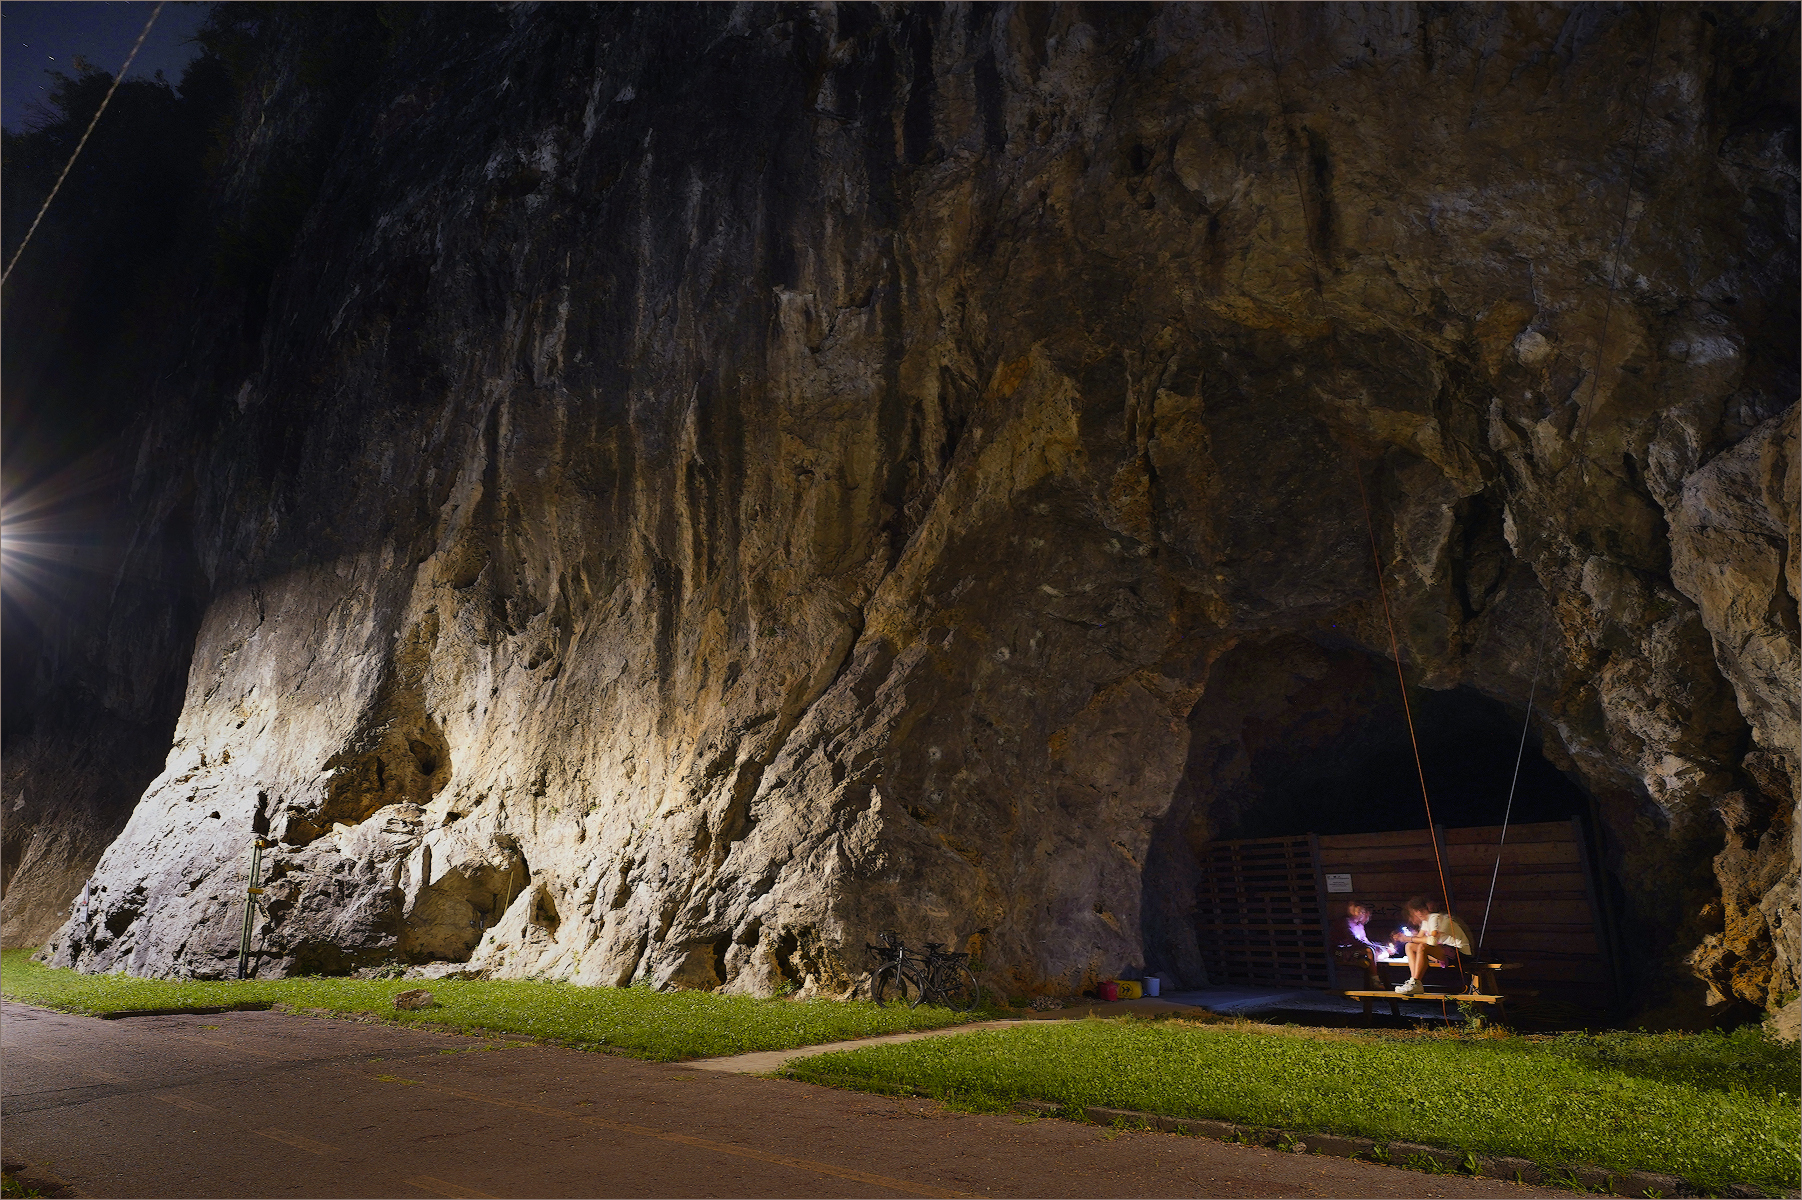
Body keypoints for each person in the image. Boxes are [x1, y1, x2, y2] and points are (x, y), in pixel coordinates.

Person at [1392, 894, 1473, 996]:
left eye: (1415, 912)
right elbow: (1417, 940)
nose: (1416, 915)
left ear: (1420, 911)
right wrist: (1403, 938)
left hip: (1460, 953)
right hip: (1445, 951)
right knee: (1409, 946)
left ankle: (1416, 982)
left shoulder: (1436, 918)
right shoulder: (1426, 922)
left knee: (1422, 947)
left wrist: (1409, 938)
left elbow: (1432, 941)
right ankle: (1414, 982)